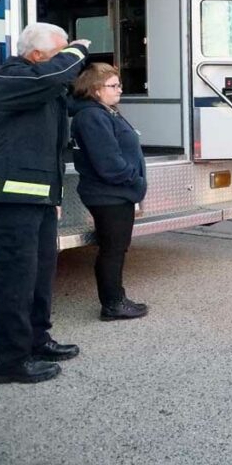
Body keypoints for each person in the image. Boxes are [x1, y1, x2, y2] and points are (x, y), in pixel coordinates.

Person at [0, 23, 89, 384]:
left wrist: (55, 198)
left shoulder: (47, 86)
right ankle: (11, 362)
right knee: (15, 280)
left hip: (40, 199)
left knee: (40, 276)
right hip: (10, 200)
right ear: (36, 55)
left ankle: (37, 339)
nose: (67, 61)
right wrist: (77, 51)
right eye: (59, 52)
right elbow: (57, 74)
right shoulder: (8, 78)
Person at [69, 63, 149, 321]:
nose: (120, 90)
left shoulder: (105, 112)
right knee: (113, 249)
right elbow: (108, 163)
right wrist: (134, 181)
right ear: (95, 89)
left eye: (119, 85)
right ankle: (113, 304)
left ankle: (117, 298)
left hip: (116, 193)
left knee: (116, 248)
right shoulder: (92, 116)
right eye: (113, 86)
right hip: (109, 194)